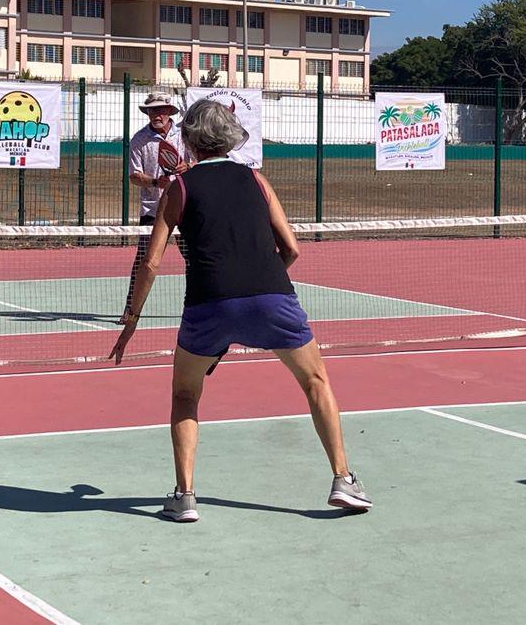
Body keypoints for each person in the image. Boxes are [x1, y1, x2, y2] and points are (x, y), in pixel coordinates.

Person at [112, 100, 370, 523]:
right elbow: (291, 249)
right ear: (230, 137)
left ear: (189, 139)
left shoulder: (179, 188)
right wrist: (262, 288)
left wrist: (132, 321)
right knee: (315, 381)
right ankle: (343, 479)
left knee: (185, 395)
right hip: (273, 296)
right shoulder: (256, 180)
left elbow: (152, 262)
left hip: (208, 303)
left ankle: (185, 496)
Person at [123, 92, 191, 316]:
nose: (156, 114)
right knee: (144, 259)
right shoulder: (139, 139)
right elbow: (134, 176)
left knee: (193, 258)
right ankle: (131, 309)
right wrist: (154, 182)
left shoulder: (184, 135)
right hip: (153, 209)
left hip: (184, 207)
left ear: (169, 112)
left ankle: (195, 305)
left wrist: (187, 167)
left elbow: (198, 162)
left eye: (160, 110)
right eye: (152, 110)